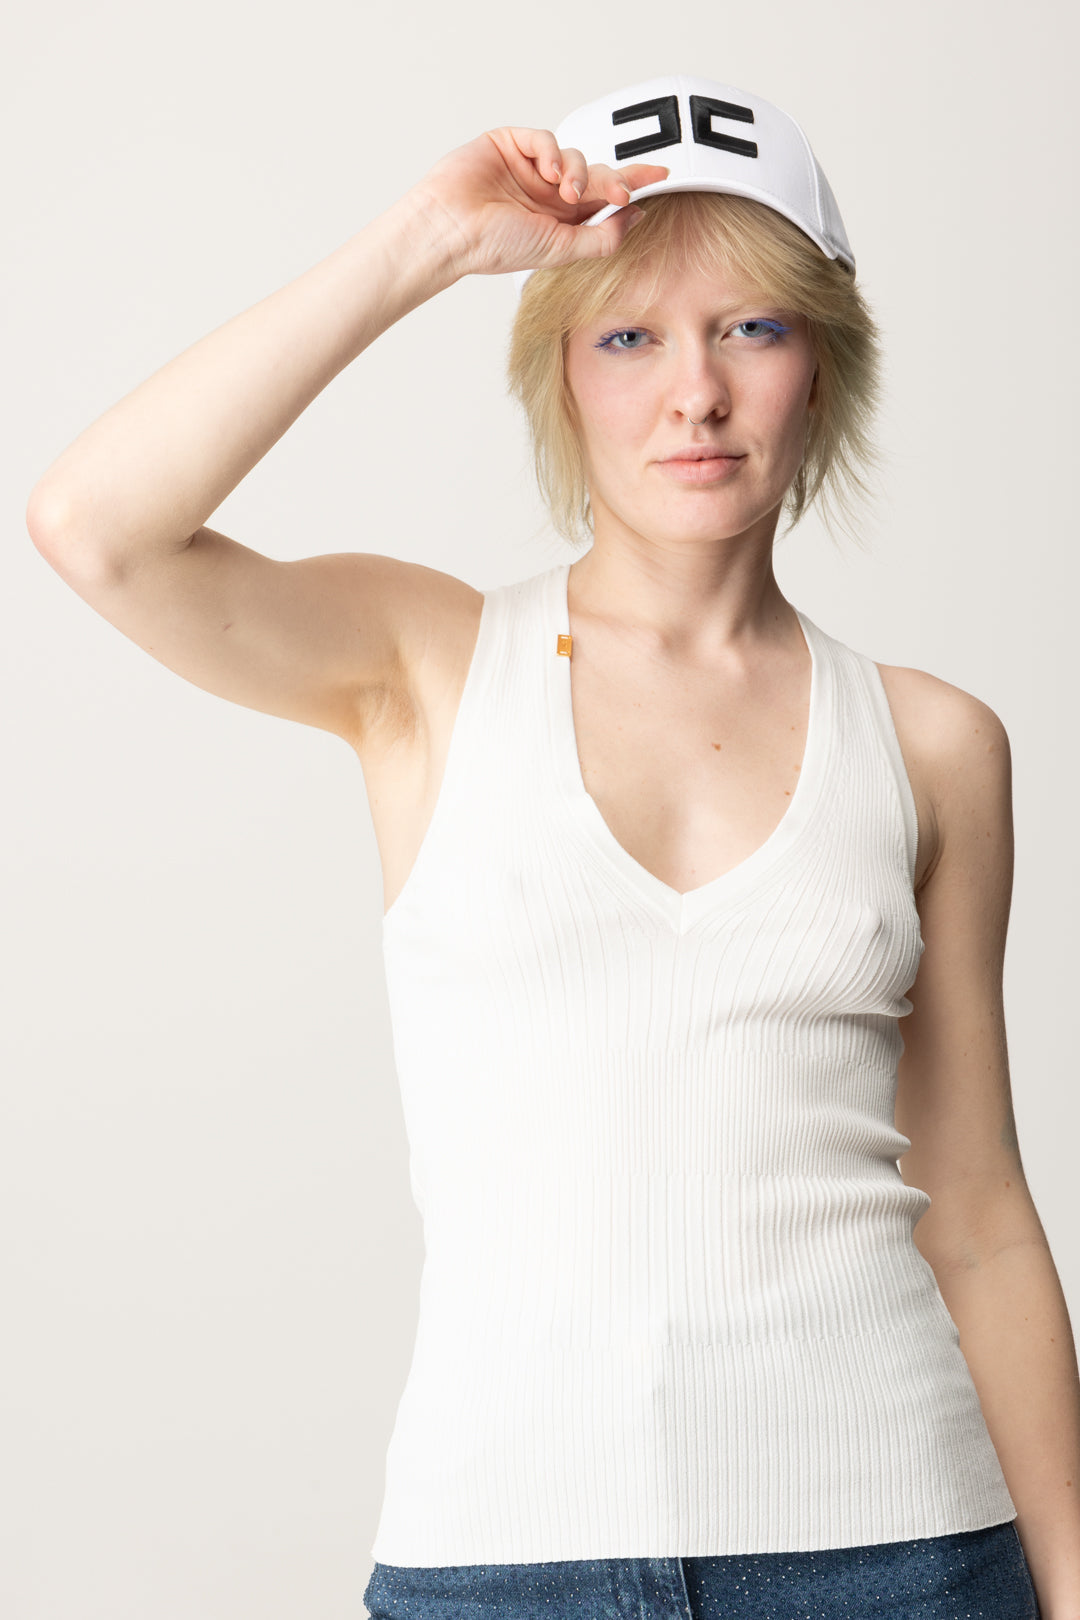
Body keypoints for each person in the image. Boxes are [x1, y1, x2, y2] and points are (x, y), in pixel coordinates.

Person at [26, 70, 1073, 1620]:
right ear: (561, 376)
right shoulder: (429, 667)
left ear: (823, 366)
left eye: (753, 329)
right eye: (629, 337)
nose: (695, 394)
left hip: (900, 1551)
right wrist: (425, 244)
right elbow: (95, 528)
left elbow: (980, 1213)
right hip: (499, 1562)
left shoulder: (933, 742)